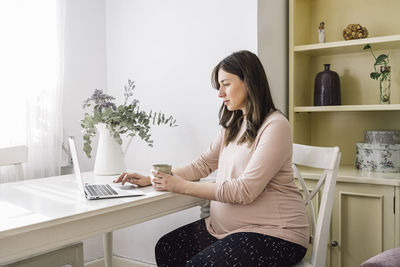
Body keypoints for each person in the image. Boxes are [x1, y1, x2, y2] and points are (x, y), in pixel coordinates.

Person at [114, 50, 309, 266]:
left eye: (226, 84)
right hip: (225, 230)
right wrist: (154, 178)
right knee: (167, 248)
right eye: (219, 86)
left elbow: (245, 191)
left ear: (249, 82)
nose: (220, 94)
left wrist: (181, 186)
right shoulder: (234, 124)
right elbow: (202, 165)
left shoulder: (275, 126)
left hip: (275, 234)